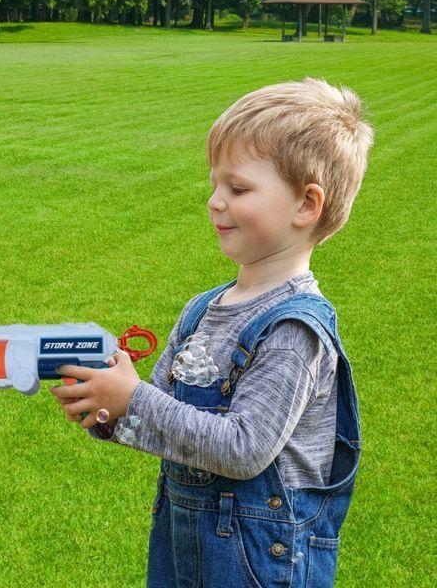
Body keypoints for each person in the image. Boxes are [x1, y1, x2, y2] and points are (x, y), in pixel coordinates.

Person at [51, 77, 374, 588]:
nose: (215, 202)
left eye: (238, 188)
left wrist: (134, 399)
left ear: (306, 205)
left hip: (260, 567)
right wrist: (108, 406)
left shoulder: (294, 330)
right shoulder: (203, 309)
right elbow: (161, 412)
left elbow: (244, 448)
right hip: (185, 554)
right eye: (215, 185)